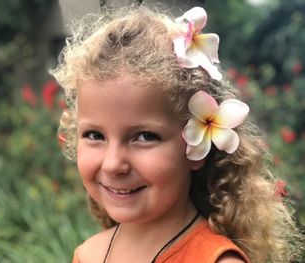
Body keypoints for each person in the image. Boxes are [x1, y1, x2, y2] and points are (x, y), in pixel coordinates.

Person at [52, 5, 304, 263]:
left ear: (196, 148)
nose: (114, 163)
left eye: (145, 136)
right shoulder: (88, 255)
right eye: (95, 135)